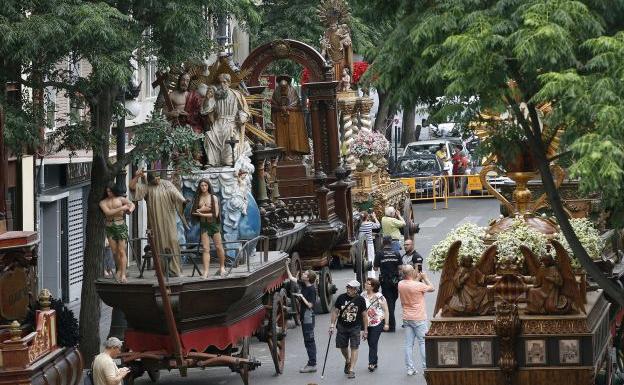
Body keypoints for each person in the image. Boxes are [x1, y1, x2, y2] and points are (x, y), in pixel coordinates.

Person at [129, 169, 187, 277]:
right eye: (155, 179)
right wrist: (137, 176)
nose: (157, 181)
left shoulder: (167, 184)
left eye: (158, 178)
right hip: (156, 222)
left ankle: (175, 269)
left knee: (173, 241)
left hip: (169, 220)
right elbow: (132, 187)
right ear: (150, 180)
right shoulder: (147, 188)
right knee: (159, 244)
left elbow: (176, 194)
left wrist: (183, 201)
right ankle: (162, 271)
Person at [202, 73, 251, 167]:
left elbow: (245, 111)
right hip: (218, 123)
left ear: (229, 83)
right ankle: (212, 162)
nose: (222, 85)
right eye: (220, 82)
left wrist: (242, 117)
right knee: (209, 135)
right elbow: (206, 110)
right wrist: (208, 99)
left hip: (232, 123)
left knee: (229, 134)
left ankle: (228, 161)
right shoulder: (216, 96)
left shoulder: (237, 95)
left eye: (224, 82)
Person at [398, 266, 435, 376]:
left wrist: (417, 278)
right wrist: (425, 277)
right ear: (412, 272)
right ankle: (425, 366)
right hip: (419, 317)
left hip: (407, 317)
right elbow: (432, 288)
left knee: (409, 344)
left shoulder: (400, 284)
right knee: (422, 342)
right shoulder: (418, 285)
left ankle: (410, 368)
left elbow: (411, 285)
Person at [329, 280, 368, 379]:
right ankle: (347, 359)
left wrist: (365, 330)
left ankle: (351, 370)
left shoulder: (360, 300)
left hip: (355, 327)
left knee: (354, 347)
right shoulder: (341, 298)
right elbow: (335, 312)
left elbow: (364, 316)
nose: (348, 289)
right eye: (347, 287)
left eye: (350, 288)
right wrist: (332, 325)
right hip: (342, 326)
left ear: (356, 290)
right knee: (342, 346)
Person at [285, 258, 318, 373]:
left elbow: (310, 305)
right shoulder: (303, 285)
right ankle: (311, 362)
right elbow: (291, 278)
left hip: (309, 316)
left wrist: (301, 297)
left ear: (308, 278)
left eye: (305, 273)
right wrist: (286, 265)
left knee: (309, 340)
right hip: (305, 316)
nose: (303, 274)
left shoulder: (311, 290)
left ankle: (312, 364)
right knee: (307, 340)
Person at [99, 185, 135, 283]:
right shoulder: (103, 202)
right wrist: (121, 208)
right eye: (107, 191)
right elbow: (108, 213)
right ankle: (119, 269)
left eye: (110, 191)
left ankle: (123, 274)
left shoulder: (120, 199)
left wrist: (129, 210)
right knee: (115, 252)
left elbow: (132, 204)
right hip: (110, 227)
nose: (109, 193)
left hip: (120, 226)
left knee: (121, 251)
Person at [191, 179, 226, 277]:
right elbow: (193, 212)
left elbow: (215, 214)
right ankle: (205, 271)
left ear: (208, 186)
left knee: (219, 246)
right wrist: (201, 210)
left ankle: (222, 267)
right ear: (199, 187)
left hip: (214, 225)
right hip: (204, 226)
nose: (203, 187)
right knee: (206, 249)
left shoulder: (213, 197)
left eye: (205, 185)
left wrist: (202, 213)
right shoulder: (198, 198)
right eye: (201, 185)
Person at [271, 75, 310, 156]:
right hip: (280, 119)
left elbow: (297, 104)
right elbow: (273, 105)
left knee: (293, 137)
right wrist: (280, 108)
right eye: (281, 87)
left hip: (293, 118)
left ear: (288, 85)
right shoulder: (276, 92)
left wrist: (288, 108)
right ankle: (283, 154)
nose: (283, 89)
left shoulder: (293, 91)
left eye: (285, 87)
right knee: (281, 137)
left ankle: (294, 153)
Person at [374, 236, 402, 332]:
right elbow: (400, 268)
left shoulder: (379, 254)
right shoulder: (396, 253)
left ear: (383, 242)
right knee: (392, 302)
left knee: (388, 303)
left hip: (385, 281)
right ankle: (390, 324)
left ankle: (391, 325)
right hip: (395, 281)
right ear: (391, 242)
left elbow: (375, 268)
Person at [362, 278, 389, 371]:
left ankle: (371, 363)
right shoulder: (363, 295)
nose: (365, 284)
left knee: (373, 342)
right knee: (370, 343)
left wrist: (386, 323)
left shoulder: (379, 296)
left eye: (368, 284)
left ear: (373, 286)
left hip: (377, 322)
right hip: (366, 323)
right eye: (366, 283)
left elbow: (386, 310)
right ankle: (375, 360)